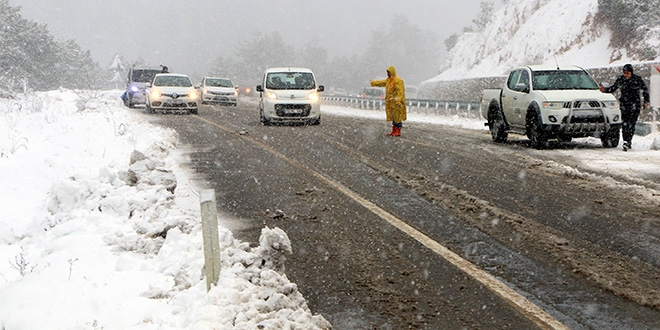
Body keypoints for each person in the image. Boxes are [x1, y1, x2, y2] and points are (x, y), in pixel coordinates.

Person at [600, 63, 649, 151]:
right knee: (625, 124)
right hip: (624, 105)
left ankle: (628, 141)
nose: (625, 74)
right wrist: (605, 90)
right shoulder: (621, 79)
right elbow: (613, 88)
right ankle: (626, 141)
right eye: (624, 72)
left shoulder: (637, 79)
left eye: (627, 73)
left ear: (631, 72)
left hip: (635, 105)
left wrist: (646, 101)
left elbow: (645, 90)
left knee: (631, 124)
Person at [370, 66, 407, 136]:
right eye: (387, 72)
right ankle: (394, 131)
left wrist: (398, 100)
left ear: (392, 72)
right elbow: (381, 82)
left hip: (397, 102)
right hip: (391, 103)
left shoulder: (398, 80)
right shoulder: (389, 80)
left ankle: (397, 131)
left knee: (397, 117)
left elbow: (400, 92)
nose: (388, 74)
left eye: (389, 72)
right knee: (393, 117)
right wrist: (373, 82)